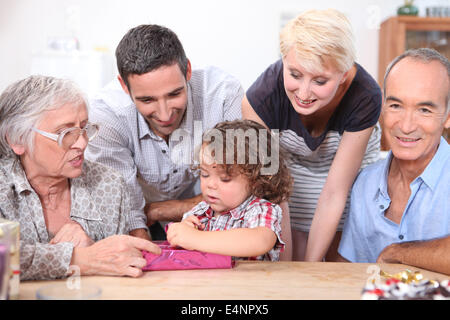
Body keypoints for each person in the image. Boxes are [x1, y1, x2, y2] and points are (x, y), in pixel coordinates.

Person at [242, 9, 381, 261]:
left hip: (343, 162)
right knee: (292, 252)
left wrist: (311, 268)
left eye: (320, 81)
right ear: (283, 59)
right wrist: (289, 270)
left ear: (344, 73)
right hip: (290, 161)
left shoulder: (366, 96)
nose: (304, 93)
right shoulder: (260, 98)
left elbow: (334, 192)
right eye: (294, 75)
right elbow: (274, 187)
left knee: (336, 252)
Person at [85, 24, 244, 241]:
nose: (165, 113)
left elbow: (245, 184)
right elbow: (124, 208)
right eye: (147, 100)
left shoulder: (225, 94)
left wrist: (165, 210)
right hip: (135, 214)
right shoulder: (105, 116)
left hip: (211, 218)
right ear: (124, 86)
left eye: (174, 94)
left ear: (187, 70)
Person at [0, 75, 161, 280]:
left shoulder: (108, 184)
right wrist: (80, 258)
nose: (82, 144)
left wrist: (94, 250)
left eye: (84, 128)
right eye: (65, 133)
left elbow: (120, 267)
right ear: (17, 139)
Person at [338, 48, 450, 273]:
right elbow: (347, 275)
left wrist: (396, 253)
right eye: (396, 105)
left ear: (447, 117)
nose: (406, 126)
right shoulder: (365, 184)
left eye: (424, 109)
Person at [166, 120, 292, 261]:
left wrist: (196, 238)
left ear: (255, 181)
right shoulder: (200, 211)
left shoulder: (261, 210)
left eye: (225, 179)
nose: (210, 185)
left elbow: (260, 241)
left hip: (253, 282)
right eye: (205, 174)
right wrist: (181, 232)